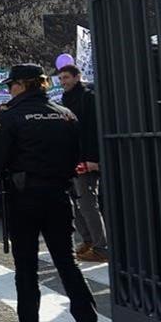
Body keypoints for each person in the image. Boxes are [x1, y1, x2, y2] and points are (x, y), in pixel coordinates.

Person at [0, 64, 103, 322]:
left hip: (24, 197)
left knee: (26, 269)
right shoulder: (66, 115)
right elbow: (76, 154)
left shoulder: (12, 115)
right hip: (58, 195)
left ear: (23, 85)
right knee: (67, 264)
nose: (9, 90)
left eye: (11, 85)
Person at [58, 64, 107, 263]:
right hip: (71, 158)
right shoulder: (65, 99)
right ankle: (88, 241)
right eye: (61, 78)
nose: (63, 81)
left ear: (77, 77)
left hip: (86, 159)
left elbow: (92, 131)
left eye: (66, 77)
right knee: (77, 205)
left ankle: (101, 247)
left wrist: (93, 160)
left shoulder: (88, 97)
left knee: (87, 204)